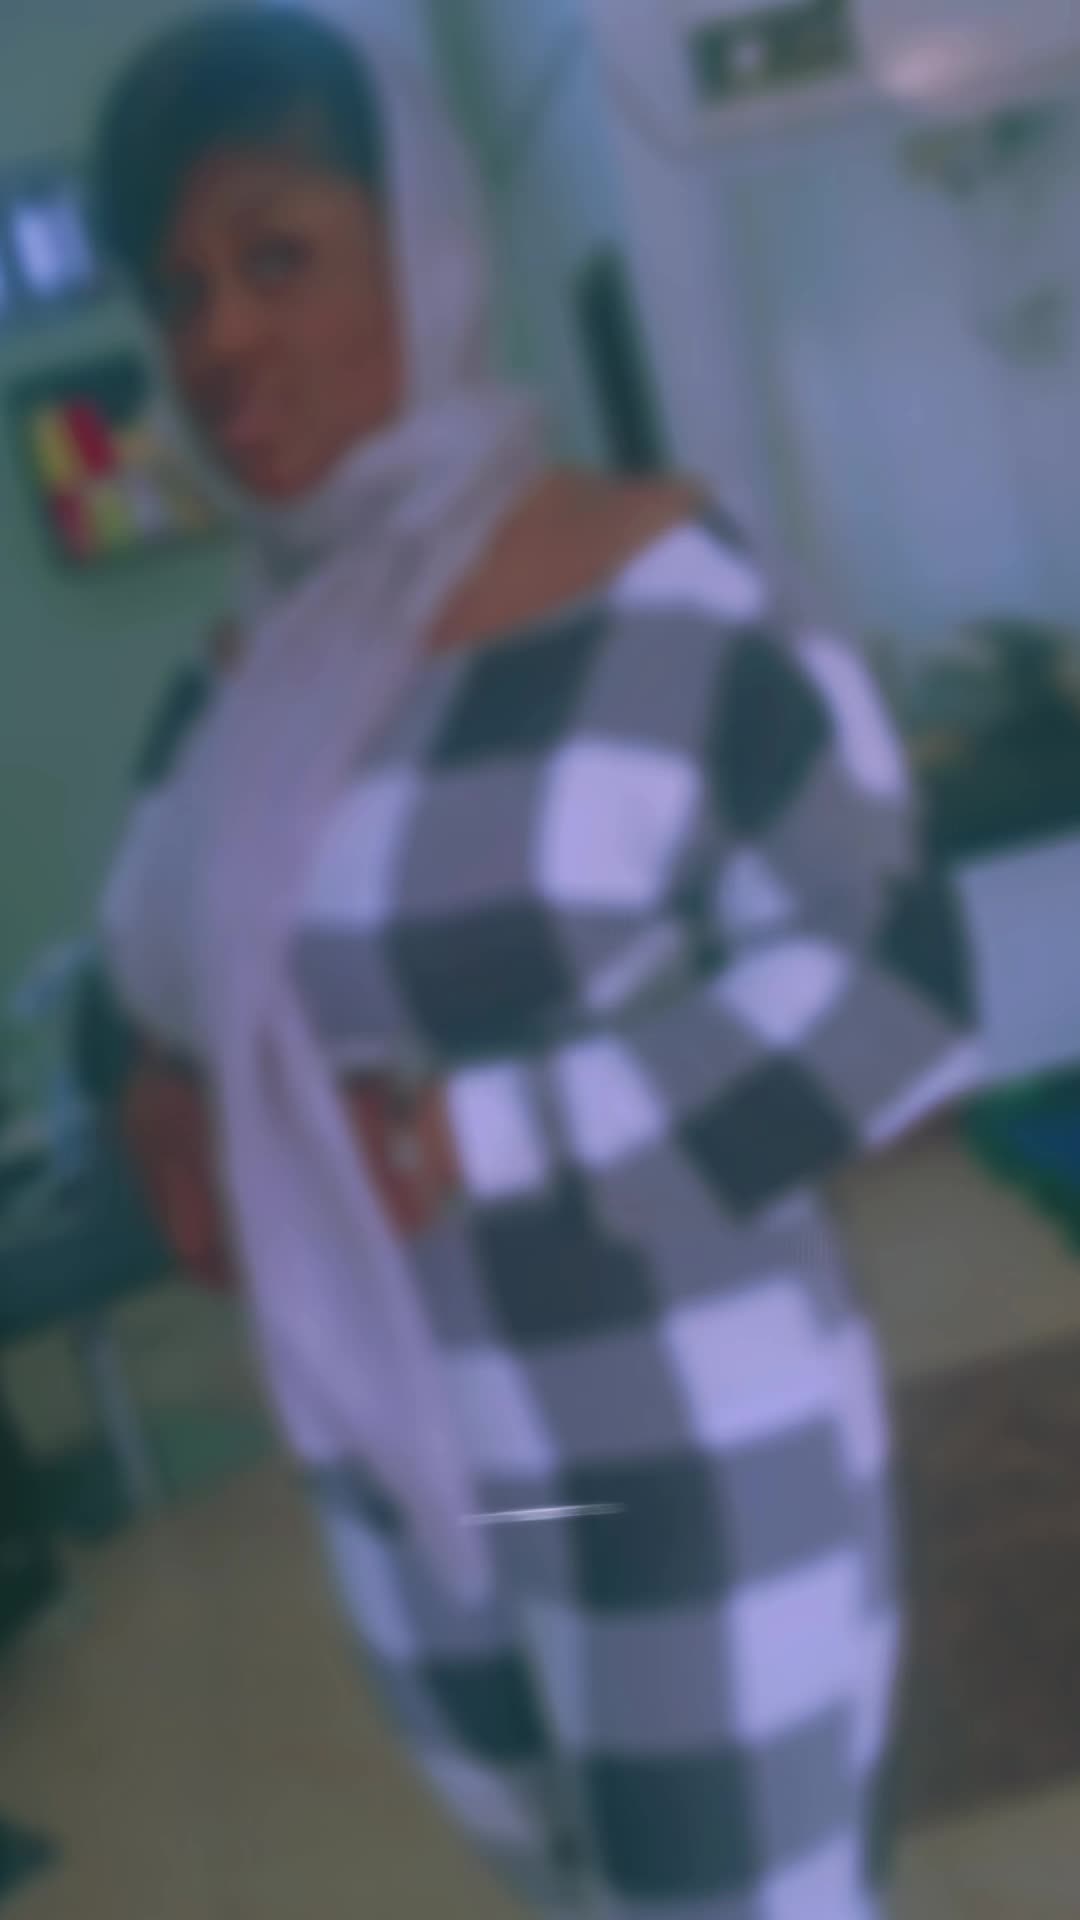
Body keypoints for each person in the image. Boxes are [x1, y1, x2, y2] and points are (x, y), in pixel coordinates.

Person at [89, 10, 980, 1916]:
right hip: (418, 1480)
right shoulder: (236, 688)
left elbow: (897, 996)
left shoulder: (663, 591)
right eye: (176, 290)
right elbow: (132, 973)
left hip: (681, 1447)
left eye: (274, 257)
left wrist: (466, 1135)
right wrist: (144, 1083)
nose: (217, 338)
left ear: (420, 251)